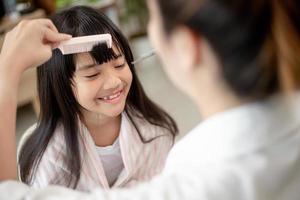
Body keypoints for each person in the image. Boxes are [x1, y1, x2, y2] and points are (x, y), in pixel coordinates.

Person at [1, 0, 300, 199]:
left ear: (187, 45)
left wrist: (7, 68)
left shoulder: (189, 175)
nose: (114, 79)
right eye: (92, 74)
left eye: (153, 17)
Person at [18, 6, 177, 191]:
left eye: (119, 64)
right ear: (61, 83)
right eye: (92, 75)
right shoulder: (48, 157)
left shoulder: (155, 129)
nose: (114, 82)